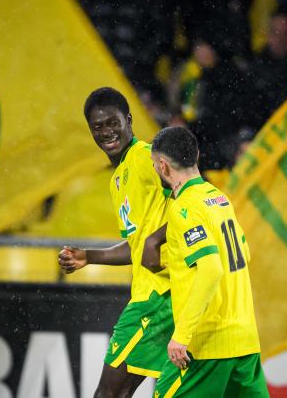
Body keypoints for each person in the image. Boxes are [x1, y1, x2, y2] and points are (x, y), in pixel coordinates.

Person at [58, 87, 173, 397]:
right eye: (98, 126)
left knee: (108, 394)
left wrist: (157, 239)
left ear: (129, 120)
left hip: (157, 298)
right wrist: (89, 256)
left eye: (113, 123)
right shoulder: (118, 178)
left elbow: (197, 192)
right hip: (169, 296)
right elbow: (136, 245)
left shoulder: (144, 157)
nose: (107, 132)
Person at [150, 126, 268, 397]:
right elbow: (243, 254)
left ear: (163, 166)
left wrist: (182, 335)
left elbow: (211, 269)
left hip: (208, 345)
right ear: (198, 155)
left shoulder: (185, 207)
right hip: (245, 340)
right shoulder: (219, 198)